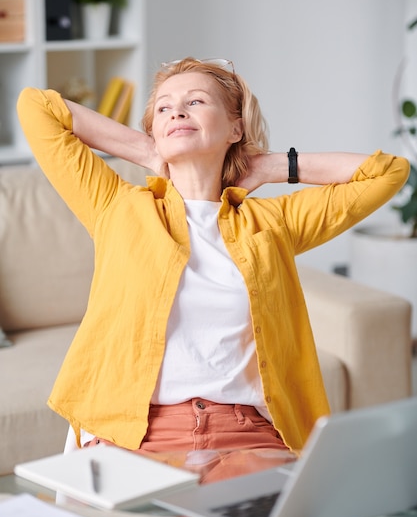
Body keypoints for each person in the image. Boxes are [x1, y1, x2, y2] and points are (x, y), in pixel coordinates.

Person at [17, 57, 409, 482]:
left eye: (196, 101)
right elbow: (36, 106)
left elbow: (388, 172)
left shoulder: (272, 223)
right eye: (164, 109)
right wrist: (148, 149)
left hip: (247, 434)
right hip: (139, 433)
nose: (177, 112)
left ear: (235, 128)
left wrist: (275, 166)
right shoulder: (117, 206)